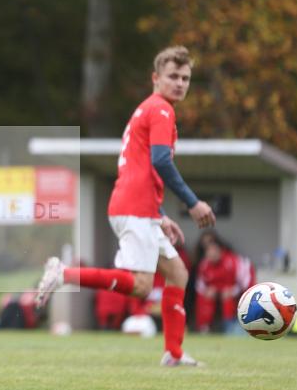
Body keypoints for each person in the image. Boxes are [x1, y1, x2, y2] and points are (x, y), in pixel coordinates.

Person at [36, 46, 216, 366]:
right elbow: (160, 161)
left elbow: (140, 168)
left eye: (185, 78)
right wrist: (192, 203)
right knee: (142, 286)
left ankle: (174, 354)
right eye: (173, 76)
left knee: (177, 273)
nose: (180, 83)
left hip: (141, 207)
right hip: (134, 208)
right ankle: (63, 273)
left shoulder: (148, 109)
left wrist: (159, 216)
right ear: (155, 78)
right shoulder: (160, 109)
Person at [193, 231, 255, 333]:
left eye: (214, 250)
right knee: (204, 298)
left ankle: (230, 327)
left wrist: (233, 290)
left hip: (233, 292)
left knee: (228, 299)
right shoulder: (204, 265)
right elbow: (200, 285)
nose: (211, 253)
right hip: (215, 292)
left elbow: (244, 282)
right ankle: (204, 328)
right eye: (208, 250)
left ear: (220, 250)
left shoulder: (233, 261)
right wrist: (206, 291)